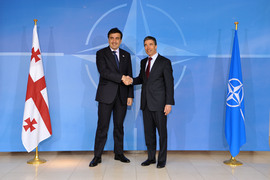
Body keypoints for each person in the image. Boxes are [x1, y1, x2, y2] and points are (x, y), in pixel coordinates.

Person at [89, 28, 133, 167]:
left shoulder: (126, 55)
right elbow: (104, 72)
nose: (114, 41)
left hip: (122, 96)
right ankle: (97, 156)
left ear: (120, 40)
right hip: (105, 96)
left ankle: (119, 154)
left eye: (117, 38)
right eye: (112, 38)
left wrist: (130, 95)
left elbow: (129, 75)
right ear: (108, 39)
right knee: (102, 127)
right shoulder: (101, 53)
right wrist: (121, 78)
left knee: (119, 126)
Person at [131, 36, 174, 168]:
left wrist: (169, 103)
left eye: (150, 44)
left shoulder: (165, 62)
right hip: (146, 104)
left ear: (156, 46)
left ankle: (162, 159)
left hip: (160, 105)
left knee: (162, 133)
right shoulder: (144, 62)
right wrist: (130, 80)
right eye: (145, 45)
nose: (148, 47)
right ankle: (151, 158)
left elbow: (169, 84)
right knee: (148, 133)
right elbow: (141, 79)